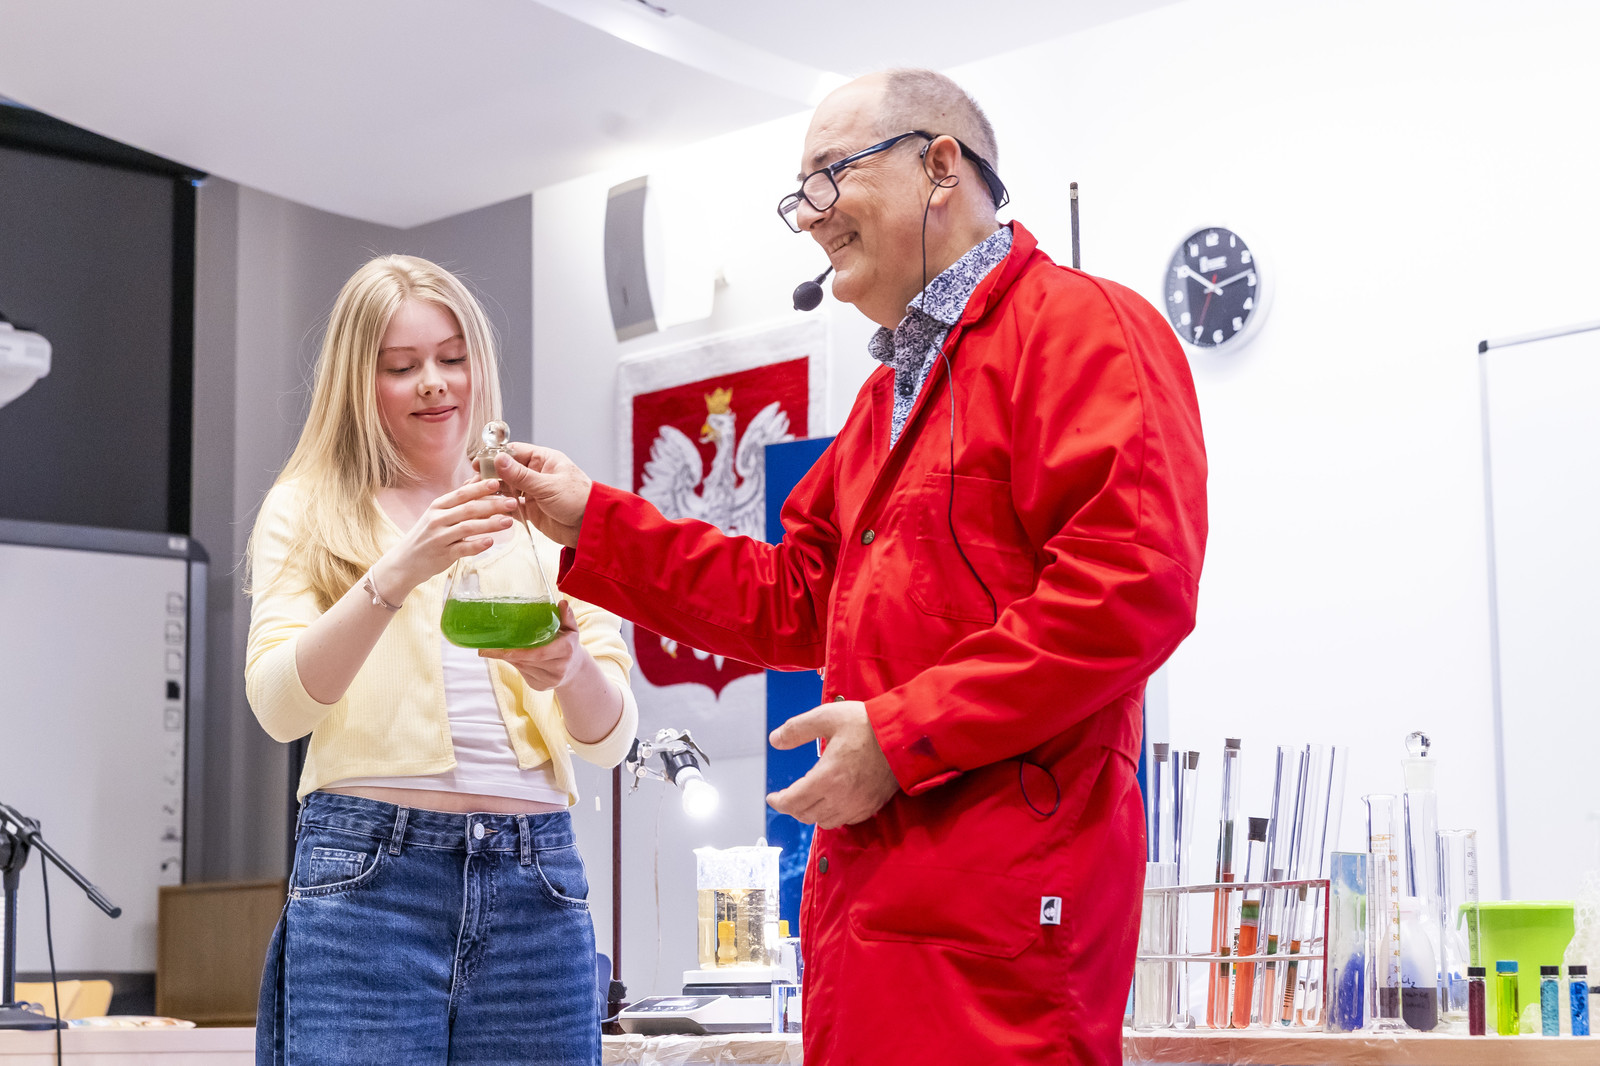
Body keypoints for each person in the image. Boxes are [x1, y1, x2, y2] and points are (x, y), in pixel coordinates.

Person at [500, 69, 1208, 1064]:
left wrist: (900, 735)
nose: (808, 216)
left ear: (941, 167)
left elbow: (1130, 589)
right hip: (870, 921)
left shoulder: (1084, 327)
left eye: (830, 176)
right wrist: (593, 520)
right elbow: (791, 599)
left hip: (999, 930)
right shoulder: (883, 407)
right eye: (799, 193)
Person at [245, 254, 637, 1066]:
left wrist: (569, 668)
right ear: (359, 382)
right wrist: (399, 570)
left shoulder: (546, 509)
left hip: (537, 881)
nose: (433, 382)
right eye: (402, 366)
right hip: (368, 880)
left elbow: (611, 740)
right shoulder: (308, 507)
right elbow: (280, 708)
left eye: (452, 358)